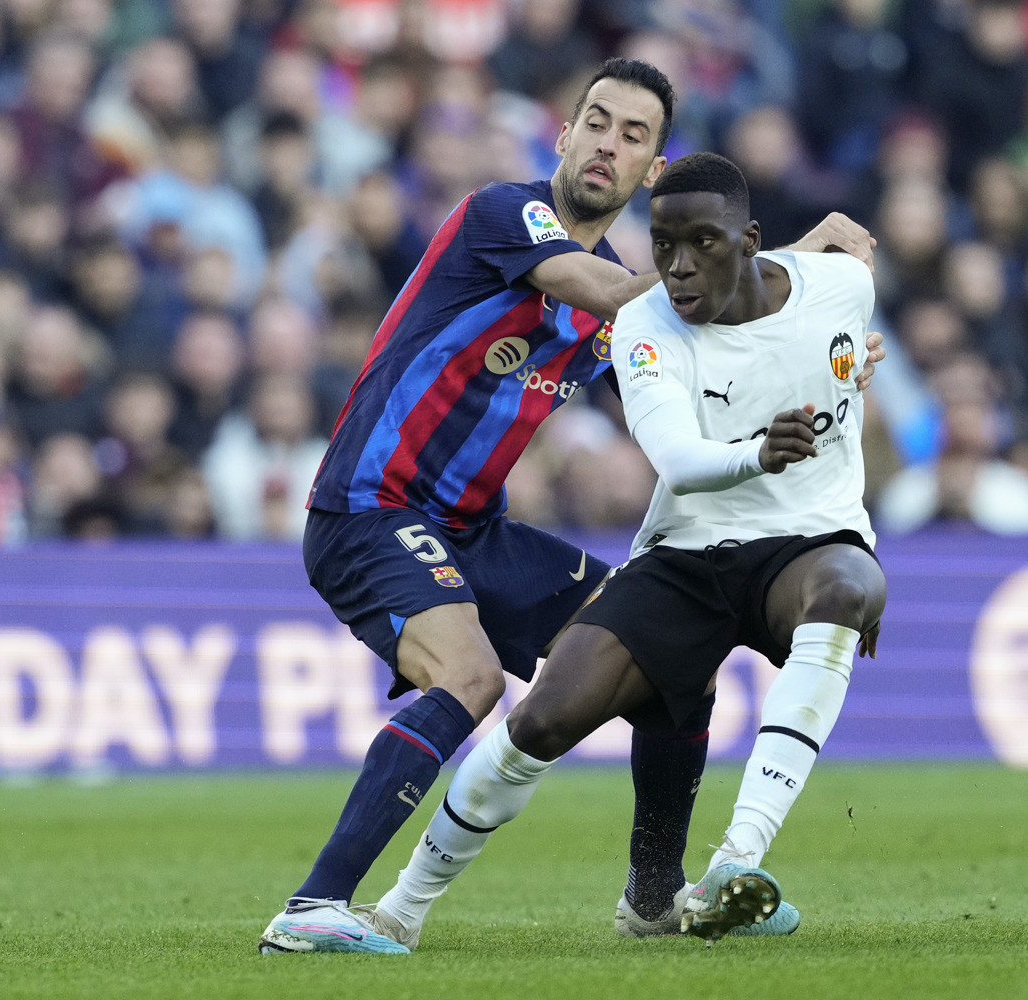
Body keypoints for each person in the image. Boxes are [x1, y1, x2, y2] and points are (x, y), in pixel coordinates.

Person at [259, 59, 880, 955]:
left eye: (633, 135)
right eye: (596, 120)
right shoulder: (506, 216)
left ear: (653, 171)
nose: (607, 143)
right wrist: (786, 253)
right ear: (563, 132)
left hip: (474, 530)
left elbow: (721, 368)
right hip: (371, 503)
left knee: (676, 653)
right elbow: (633, 296)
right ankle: (315, 906)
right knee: (470, 679)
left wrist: (834, 357)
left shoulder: (646, 297)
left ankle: (655, 896)